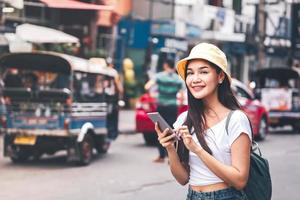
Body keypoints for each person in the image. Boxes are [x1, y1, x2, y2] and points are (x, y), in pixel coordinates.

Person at [155, 43, 252, 199]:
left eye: (204, 72)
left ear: (220, 76)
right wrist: (170, 148)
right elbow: (182, 178)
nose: (195, 79)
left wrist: (197, 149)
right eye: (190, 73)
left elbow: (240, 180)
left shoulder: (236, 119)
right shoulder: (184, 119)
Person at [145, 59, 184, 163]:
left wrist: (153, 97)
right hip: (172, 106)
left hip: (161, 105)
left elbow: (147, 86)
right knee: (172, 130)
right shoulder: (177, 79)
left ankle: (161, 156)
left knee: (160, 129)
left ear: (165, 65)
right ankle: (171, 157)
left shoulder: (159, 76)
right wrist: (178, 104)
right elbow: (182, 95)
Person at [106, 57, 124, 141]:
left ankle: (108, 132)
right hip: (112, 98)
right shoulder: (114, 72)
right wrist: (121, 92)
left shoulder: (102, 71)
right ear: (112, 64)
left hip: (104, 97)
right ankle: (113, 134)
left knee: (108, 116)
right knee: (113, 116)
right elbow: (119, 86)